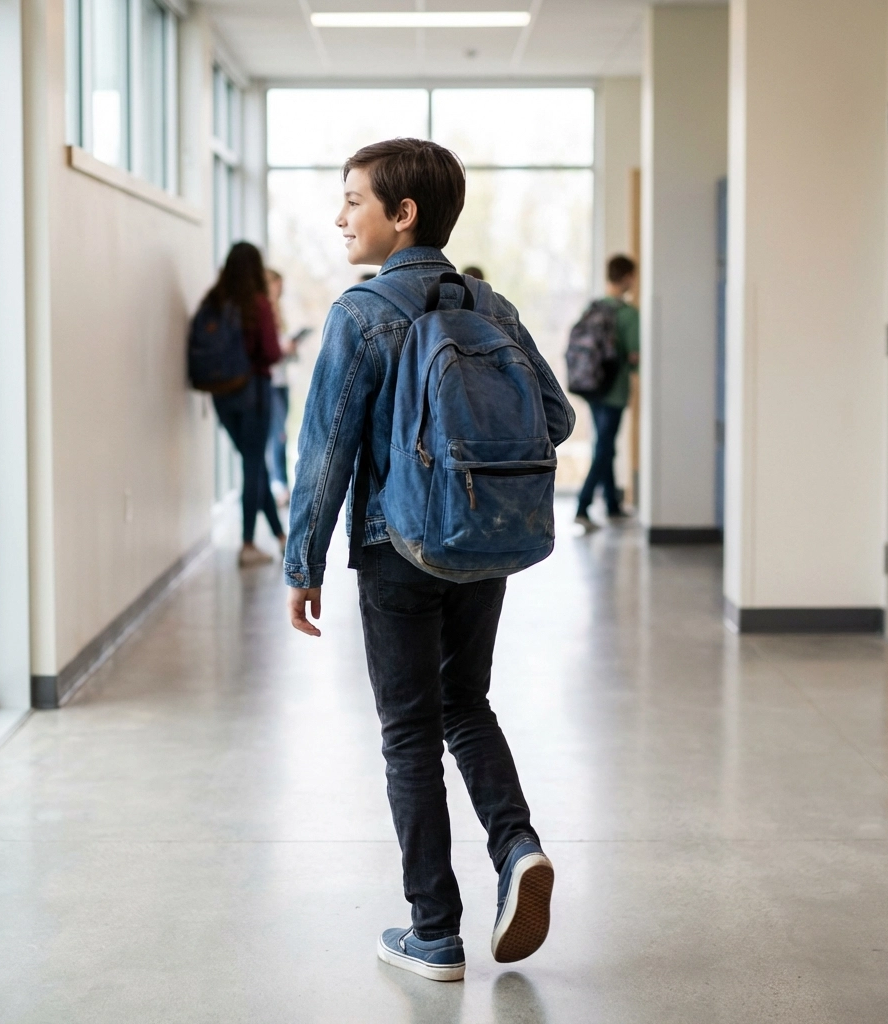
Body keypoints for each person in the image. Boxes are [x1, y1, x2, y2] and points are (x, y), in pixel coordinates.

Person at [284, 138, 574, 982]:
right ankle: (517, 847)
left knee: (408, 733)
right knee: (466, 704)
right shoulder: (491, 305)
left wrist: (303, 564)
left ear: (402, 214)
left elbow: (327, 452)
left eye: (354, 201)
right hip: (482, 541)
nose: (340, 217)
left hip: (397, 548)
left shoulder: (361, 313)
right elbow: (556, 419)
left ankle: (435, 932)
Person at [199, 242, 285, 567]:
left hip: (221, 394)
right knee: (253, 466)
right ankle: (248, 544)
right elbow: (272, 352)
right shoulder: (257, 303)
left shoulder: (214, 300)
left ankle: (280, 536)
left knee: (254, 464)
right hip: (253, 393)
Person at [574, 254, 640, 531]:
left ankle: (612, 505)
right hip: (614, 390)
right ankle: (583, 506)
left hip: (592, 387)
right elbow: (634, 356)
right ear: (627, 277)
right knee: (604, 447)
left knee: (605, 445)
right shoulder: (627, 314)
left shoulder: (595, 307)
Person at [265, 269, 295, 508]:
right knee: (277, 436)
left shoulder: (278, 312)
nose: (281, 291)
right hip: (270, 383)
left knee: (280, 435)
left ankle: (281, 486)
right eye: (278, 285)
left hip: (281, 382)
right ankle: (277, 487)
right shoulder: (263, 313)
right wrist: (281, 350)